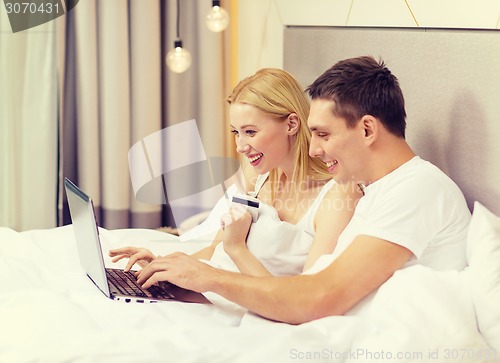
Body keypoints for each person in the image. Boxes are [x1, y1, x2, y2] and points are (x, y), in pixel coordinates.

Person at [132, 56, 471, 324]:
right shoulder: (376, 191)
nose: (312, 150)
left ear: (367, 129)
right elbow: (315, 285)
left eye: (323, 135)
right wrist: (186, 269)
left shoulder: (416, 189)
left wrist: (208, 277)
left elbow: (317, 296)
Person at [110, 68, 360, 277]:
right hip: (210, 293)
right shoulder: (260, 178)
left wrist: (236, 249)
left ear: (292, 124)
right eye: (236, 132)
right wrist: (162, 265)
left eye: (250, 132)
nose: (240, 146)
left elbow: (305, 296)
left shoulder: (337, 196)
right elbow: (216, 249)